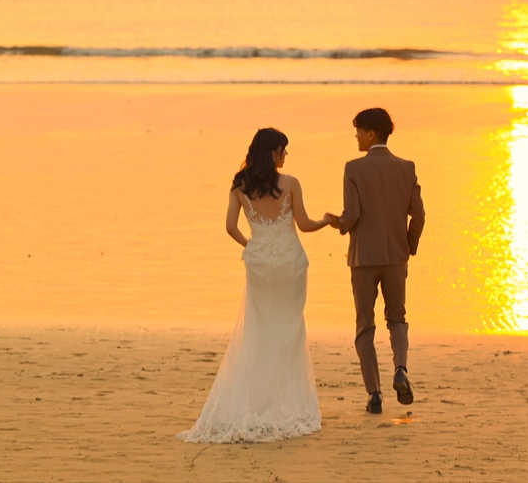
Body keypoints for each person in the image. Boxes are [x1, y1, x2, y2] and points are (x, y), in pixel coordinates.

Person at [179, 128, 332, 443]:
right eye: (283, 150)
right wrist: (327, 220)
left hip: (259, 262)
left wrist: (250, 244)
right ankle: (284, 404)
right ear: (273, 152)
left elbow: (229, 227)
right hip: (289, 263)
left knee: (259, 329)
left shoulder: (240, 185)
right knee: (288, 330)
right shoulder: (290, 184)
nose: (286, 156)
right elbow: (304, 224)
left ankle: (257, 401)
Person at [326, 108, 426, 415]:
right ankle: (400, 368)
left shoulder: (353, 169)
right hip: (395, 257)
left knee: (365, 325)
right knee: (397, 318)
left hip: (363, 258)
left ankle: (374, 394)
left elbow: (353, 215)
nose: (355, 136)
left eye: (358, 131)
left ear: (371, 134)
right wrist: (409, 245)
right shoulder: (406, 168)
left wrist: (337, 223)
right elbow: (419, 215)